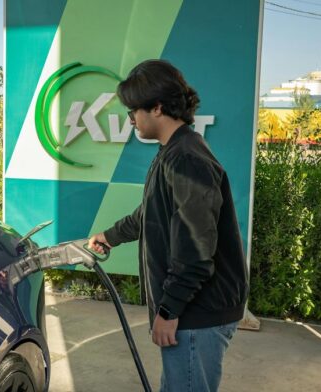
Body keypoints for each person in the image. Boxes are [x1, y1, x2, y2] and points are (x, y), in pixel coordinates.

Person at [88, 59, 248, 392]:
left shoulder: (187, 159)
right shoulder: (173, 152)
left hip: (196, 314)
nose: (131, 120)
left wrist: (169, 309)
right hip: (192, 312)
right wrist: (109, 237)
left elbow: (196, 247)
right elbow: (150, 214)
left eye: (133, 111)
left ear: (157, 108)